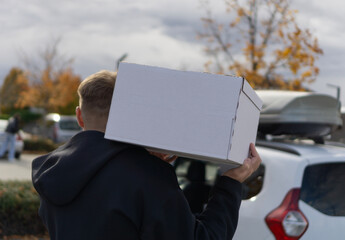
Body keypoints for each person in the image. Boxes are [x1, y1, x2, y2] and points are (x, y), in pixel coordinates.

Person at [32, 70, 262, 240]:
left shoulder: (51, 170)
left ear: (80, 116)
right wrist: (231, 183)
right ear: (132, 113)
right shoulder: (149, 176)